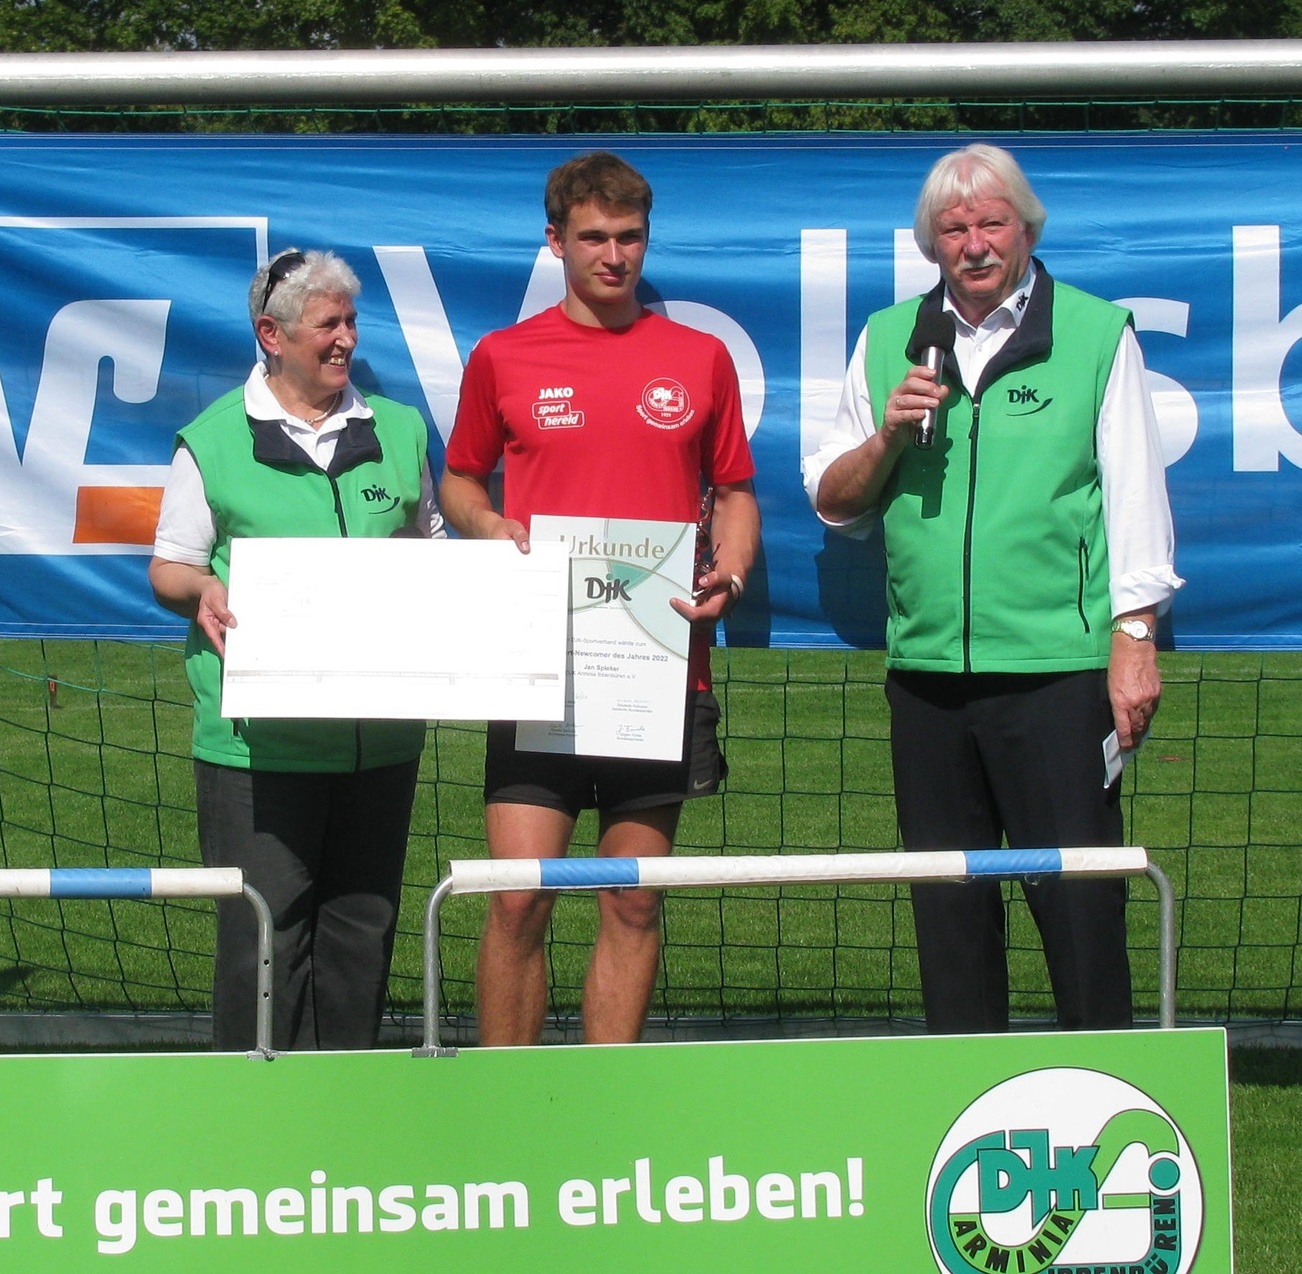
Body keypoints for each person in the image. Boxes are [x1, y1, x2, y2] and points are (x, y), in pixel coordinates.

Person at [802, 143, 1181, 1034]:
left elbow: (1133, 494)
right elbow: (832, 502)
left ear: (1025, 229)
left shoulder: (1094, 332)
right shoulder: (887, 338)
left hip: (1056, 676)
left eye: (991, 224)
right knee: (948, 913)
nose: (973, 244)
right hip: (926, 680)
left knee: (1079, 906)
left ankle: (1100, 1082)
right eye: (953, 228)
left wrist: (1133, 636)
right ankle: (967, 1096)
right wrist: (887, 437)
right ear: (930, 243)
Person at [441, 152, 760, 1045]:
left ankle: (603, 1099)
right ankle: (509, 1097)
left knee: (630, 902)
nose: (612, 256)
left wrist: (730, 573)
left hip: (654, 669)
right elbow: (459, 480)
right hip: (537, 665)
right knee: (517, 900)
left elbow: (735, 493)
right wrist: (489, 526)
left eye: (629, 238)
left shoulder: (699, 358)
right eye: (592, 238)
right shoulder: (503, 356)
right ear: (554, 241)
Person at [149, 248, 442, 1052]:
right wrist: (202, 588)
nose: (346, 338)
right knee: (263, 941)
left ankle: (344, 1107)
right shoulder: (212, 440)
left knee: (362, 935)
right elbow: (169, 567)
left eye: (351, 321)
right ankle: (252, 1112)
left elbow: (430, 547)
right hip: (257, 748)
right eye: (327, 324)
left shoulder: (399, 429)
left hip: (379, 740)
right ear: (270, 335)